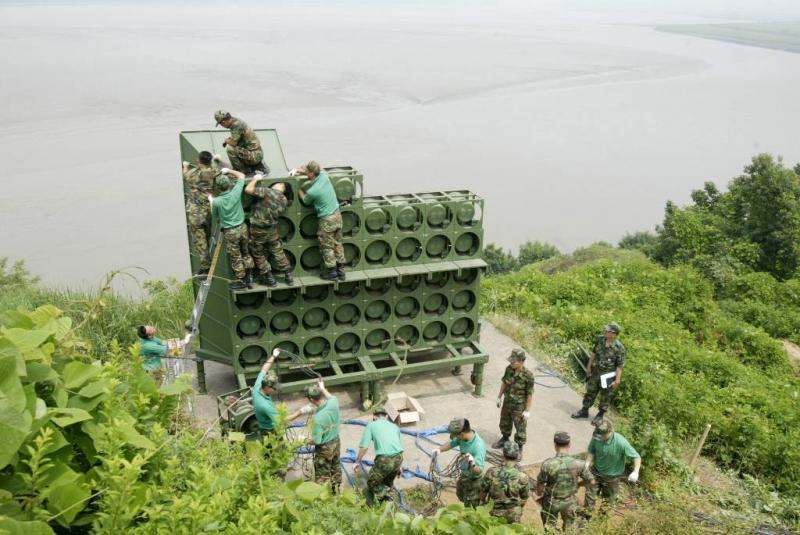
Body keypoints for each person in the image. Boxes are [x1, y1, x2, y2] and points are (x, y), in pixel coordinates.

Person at [296, 161, 345, 281]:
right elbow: (315, 172)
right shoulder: (324, 176)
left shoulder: (313, 191)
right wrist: (299, 170)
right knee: (337, 243)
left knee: (326, 246)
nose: (306, 172)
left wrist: (298, 189)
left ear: (312, 173)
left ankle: (332, 272)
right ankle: (341, 271)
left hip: (327, 220)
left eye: (307, 171)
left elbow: (306, 200)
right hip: (337, 215)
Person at [536, 431, 594, 532]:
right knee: (570, 528)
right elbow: (591, 481)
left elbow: (540, 485)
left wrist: (539, 493)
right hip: (570, 502)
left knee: (549, 527)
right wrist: (579, 484)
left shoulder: (548, 464)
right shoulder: (578, 464)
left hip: (551, 502)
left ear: (555, 445)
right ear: (569, 444)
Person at [582, 419, 641, 517]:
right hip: (595, 472)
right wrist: (587, 463)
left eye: (602, 436)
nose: (600, 438)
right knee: (589, 496)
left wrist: (636, 471)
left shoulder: (621, 442)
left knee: (608, 501)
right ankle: (586, 518)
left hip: (612, 478)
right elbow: (591, 450)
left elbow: (636, 457)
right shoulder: (597, 437)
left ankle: (601, 522)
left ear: (610, 431)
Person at [572, 322, 625, 425]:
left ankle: (600, 415)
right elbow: (593, 353)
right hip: (596, 371)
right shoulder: (600, 339)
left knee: (605, 396)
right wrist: (589, 367)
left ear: (614, 334)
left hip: (607, 375)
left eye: (607, 331)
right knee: (590, 391)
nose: (605, 332)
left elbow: (620, 365)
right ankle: (584, 410)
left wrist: (617, 380)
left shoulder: (619, 348)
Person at [244, 177, 293, 286]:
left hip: (258, 230)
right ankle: (288, 275)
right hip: (272, 230)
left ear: (279, 187)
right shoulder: (284, 200)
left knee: (257, 253)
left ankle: (269, 277)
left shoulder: (267, 191)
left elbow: (248, 189)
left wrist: (255, 179)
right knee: (278, 251)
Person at [210, 169, 255, 290]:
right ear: (229, 184)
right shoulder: (236, 192)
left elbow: (215, 215)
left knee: (236, 256)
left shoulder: (217, 202)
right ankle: (250, 276)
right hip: (243, 227)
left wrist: (211, 201)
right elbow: (242, 175)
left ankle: (242, 280)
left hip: (230, 232)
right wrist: (228, 170)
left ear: (218, 188)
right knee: (245, 251)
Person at [294, 379, 341, 492]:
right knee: (335, 467)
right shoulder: (333, 402)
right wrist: (322, 388)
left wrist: (303, 440)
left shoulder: (318, 418)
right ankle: (336, 490)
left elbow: (317, 440)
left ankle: (324, 498)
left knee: (322, 476)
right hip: (336, 442)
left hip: (325, 448)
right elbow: (329, 396)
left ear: (311, 400)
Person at [354, 406, 404, 506]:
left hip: (385, 459)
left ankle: (386, 499)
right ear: (386, 416)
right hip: (399, 458)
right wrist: (399, 467)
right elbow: (399, 446)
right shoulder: (394, 427)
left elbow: (364, 446)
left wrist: (357, 461)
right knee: (388, 482)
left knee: (372, 482)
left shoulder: (371, 425)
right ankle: (387, 502)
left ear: (374, 416)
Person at [431, 418, 486, 507]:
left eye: (456, 436)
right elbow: (451, 444)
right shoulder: (462, 438)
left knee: (471, 505)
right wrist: (439, 450)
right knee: (460, 494)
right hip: (464, 475)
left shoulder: (478, 446)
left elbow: (479, 470)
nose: (456, 438)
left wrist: (472, 463)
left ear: (462, 434)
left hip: (474, 480)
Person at [182, 151, 218, 277]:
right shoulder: (212, 173)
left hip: (195, 213)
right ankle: (208, 259)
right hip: (207, 211)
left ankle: (205, 267)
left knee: (199, 241)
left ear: (198, 161)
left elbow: (185, 174)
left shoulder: (192, 173)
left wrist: (185, 165)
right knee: (206, 236)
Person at [494, 349, 535, 456]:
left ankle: (519, 447)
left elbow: (529, 394)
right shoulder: (509, 369)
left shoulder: (528, 376)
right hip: (507, 402)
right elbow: (504, 383)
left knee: (520, 427)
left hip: (519, 406)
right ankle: (505, 438)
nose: (511, 363)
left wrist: (527, 410)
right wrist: (499, 397)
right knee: (505, 422)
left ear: (522, 361)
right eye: (511, 361)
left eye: (514, 361)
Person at [483, 442, 530, 523]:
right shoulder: (523, 477)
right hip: (513, 515)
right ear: (517, 456)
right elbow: (524, 499)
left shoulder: (491, 472)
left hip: (494, 513)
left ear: (503, 454)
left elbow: (483, 494)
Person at [213, 110, 268, 175]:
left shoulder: (235, 125)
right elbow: (236, 136)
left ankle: (240, 172)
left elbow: (234, 143)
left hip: (254, 156)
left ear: (224, 122)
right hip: (256, 153)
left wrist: (227, 141)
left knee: (230, 149)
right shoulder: (235, 121)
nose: (222, 126)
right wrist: (229, 139)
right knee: (234, 146)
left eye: (221, 124)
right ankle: (249, 167)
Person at [251, 352, 281, 438]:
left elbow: (264, 369)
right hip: (269, 431)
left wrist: (273, 356)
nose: (275, 389)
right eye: (274, 388)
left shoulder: (258, 386)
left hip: (262, 423)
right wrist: (300, 411)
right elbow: (281, 420)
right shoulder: (266, 406)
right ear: (267, 387)